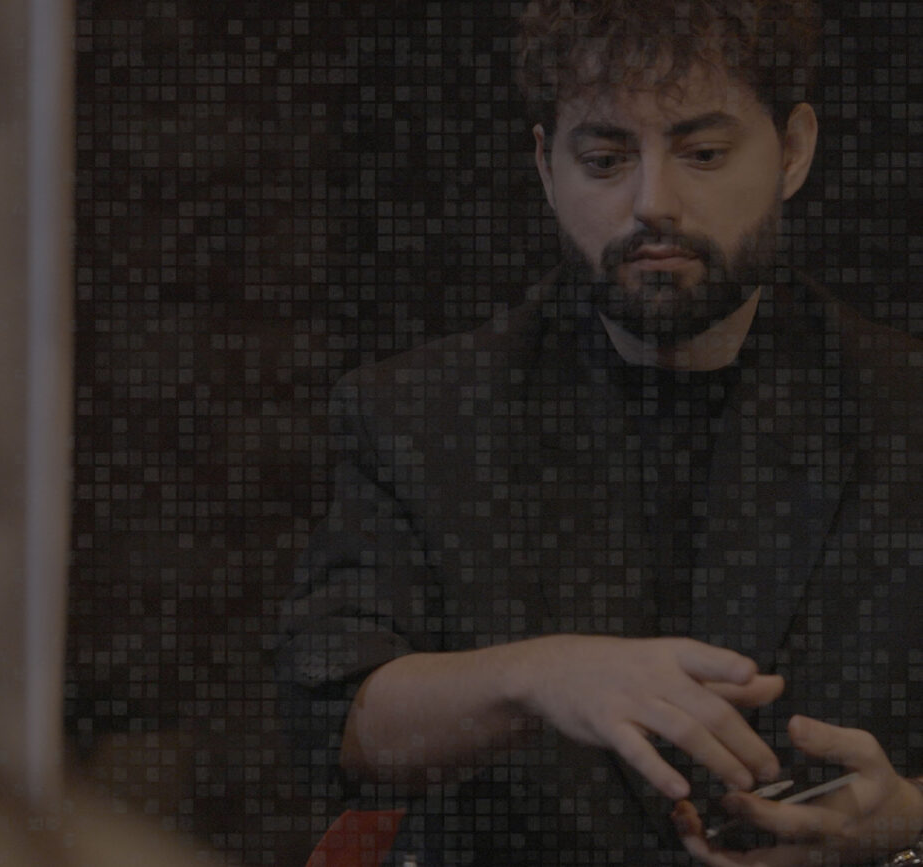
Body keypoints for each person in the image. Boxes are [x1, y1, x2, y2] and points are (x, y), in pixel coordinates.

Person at [276, 1, 923, 864]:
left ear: (793, 151)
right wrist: (537, 676)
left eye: (702, 154)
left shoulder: (902, 410)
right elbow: (334, 719)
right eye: (606, 161)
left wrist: (909, 819)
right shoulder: (424, 416)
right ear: (547, 168)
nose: (653, 203)